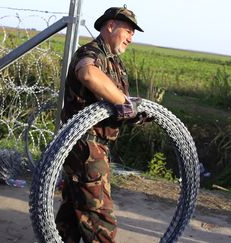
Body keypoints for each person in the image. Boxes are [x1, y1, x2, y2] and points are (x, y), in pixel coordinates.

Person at [55, 6, 145, 243]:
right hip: (86, 147)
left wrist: (135, 113)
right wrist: (124, 102)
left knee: (72, 217)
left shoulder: (115, 63)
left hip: (94, 147)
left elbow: (117, 107)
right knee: (100, 221)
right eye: (128, 31)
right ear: (111, 26)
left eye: (133, 34)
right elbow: (87, 74)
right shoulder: (92, 53)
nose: (131, 38)